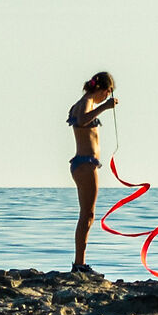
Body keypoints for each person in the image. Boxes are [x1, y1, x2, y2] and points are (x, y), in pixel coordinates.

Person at [66, 71, 117, 274]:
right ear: (101, 89)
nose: (106, 98)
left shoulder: (82, 102)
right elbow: (81, 120)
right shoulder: (86, 102)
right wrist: (104, 107)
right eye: (107, 94)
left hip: (84, 164)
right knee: (88, 215)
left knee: (87, 214)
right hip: (85, 164)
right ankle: (80, 264)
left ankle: (80, 263)